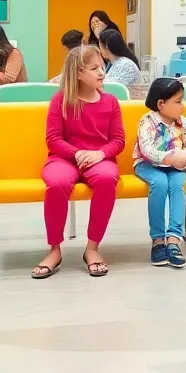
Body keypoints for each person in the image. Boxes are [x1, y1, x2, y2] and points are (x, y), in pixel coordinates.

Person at [32, 45, 124, 279]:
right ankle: (54, 250)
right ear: (78, 73)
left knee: (107, 179)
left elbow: (118, 140)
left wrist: (100, 154)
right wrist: (76, 154)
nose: (101, 72)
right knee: (57, 183)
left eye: (102, 67)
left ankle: (92, 249)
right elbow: (53, 139)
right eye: (94, 68)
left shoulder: (111, 102)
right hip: (64, 158)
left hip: (99, 158)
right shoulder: (60, 100)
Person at [134, 77, 186, 269]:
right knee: (159, 184)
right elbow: (146, 149)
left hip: (176, 166)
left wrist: (184, 156)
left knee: (178, 185)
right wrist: (170, 158)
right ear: (161, 104)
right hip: (148, 165)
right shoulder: (147, 122)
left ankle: (173, 239)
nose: (182, 105)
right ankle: (158, 240)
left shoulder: (183, 123)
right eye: (178, 101)